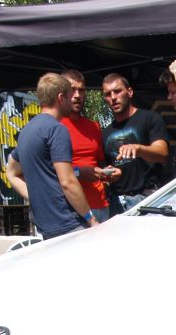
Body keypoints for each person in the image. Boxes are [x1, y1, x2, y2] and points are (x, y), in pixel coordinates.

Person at [6, 73, 98, 238]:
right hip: (69, 223)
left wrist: (36, 198)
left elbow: (11, 173)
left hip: (45, 225)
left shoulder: (26, 131)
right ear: (61, 98)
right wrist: (91, 219)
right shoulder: (57, 129)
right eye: (69, 96)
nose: (73, 100)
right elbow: (67, 181)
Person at [101, 73, 169, 214]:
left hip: (148, 198)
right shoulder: (105, 133)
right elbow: (105, 171)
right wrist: (109, 175)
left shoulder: (150, 118)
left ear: (130, 92)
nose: (113, 97)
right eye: (108, 94)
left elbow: (162, 153)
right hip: (118, 202)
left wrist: (139, 149)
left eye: (117, 91)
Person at [61, 69, 112, 223]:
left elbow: (99, 163)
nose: (77, 95)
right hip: (71, 209)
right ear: (61, 92)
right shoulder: (54, 126)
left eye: (81, 90)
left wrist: (108, 173)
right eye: (72, 89)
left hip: (100, 205)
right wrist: (78, 173)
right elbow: (48, 172)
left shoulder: (93, 126)